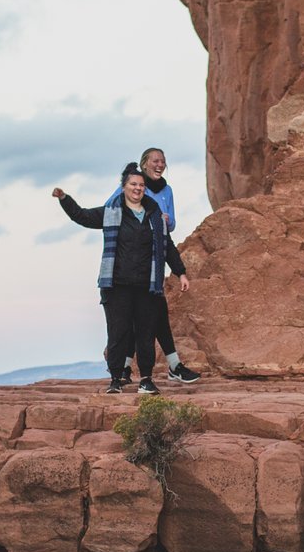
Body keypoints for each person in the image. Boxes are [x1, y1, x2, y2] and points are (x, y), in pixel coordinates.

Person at [52, 162, 188, 393]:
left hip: (148, 285)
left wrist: (181, 272)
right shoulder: (110, 212)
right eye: (133, 184)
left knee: (145, 334)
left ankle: (146, 379)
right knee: (118, 332)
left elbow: (168, 247)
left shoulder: (155, 216)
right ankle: (116, 380)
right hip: (117, 285)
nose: (137, 189)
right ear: (124, 187)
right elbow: (82, 216)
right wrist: (65, 198)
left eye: (141, 185)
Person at [138, 147, 202, 383]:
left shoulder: (167, 191)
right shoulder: (134, 185)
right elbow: (112, 208)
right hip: (134, 260)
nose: (160, 164)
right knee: (136, 317)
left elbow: (171, 224)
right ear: (144, 163)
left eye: (163, 161)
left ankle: (172, 366)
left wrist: (165, 219)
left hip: (156, 258)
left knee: (155, 313)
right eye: (155, 160)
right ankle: (127, 369)